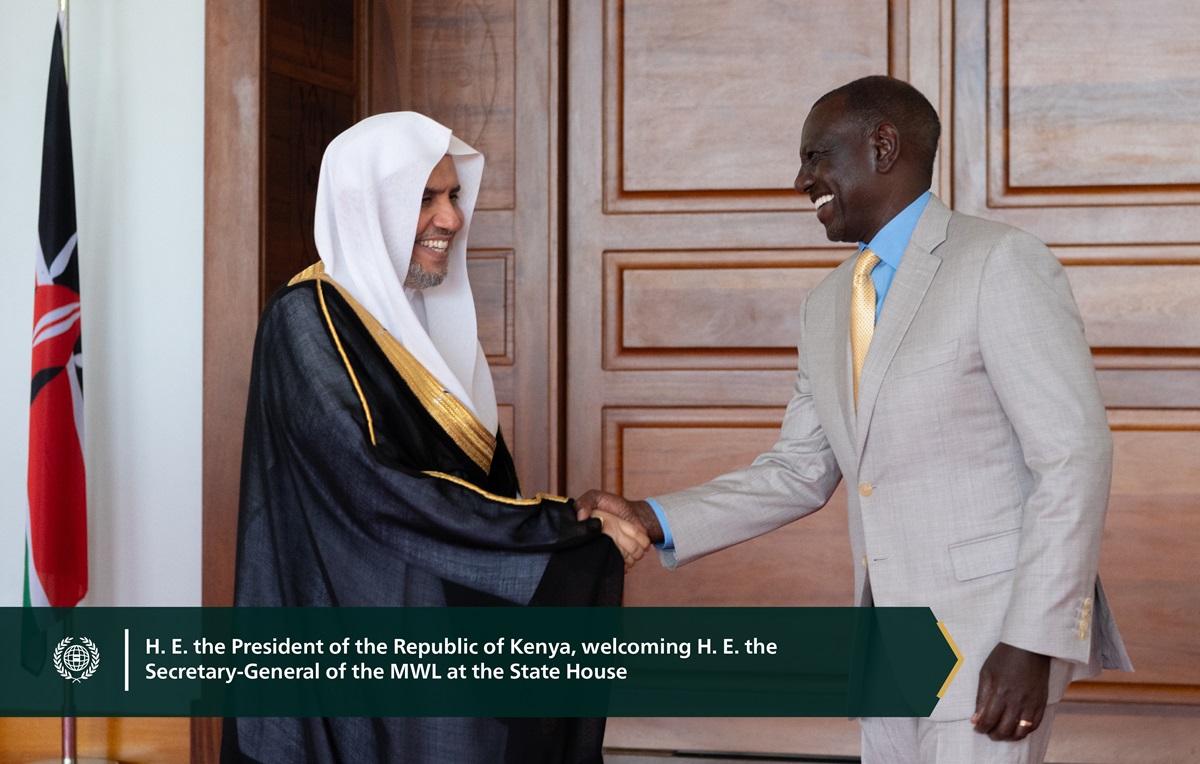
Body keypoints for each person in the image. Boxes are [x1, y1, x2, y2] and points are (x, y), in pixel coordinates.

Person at [577, 76, 1131, 763]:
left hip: (995, 643)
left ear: (884, 146)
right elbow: (799, 470)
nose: (801, 179)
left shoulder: (999, 262)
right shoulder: (826, 305)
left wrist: (1034, 640)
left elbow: (1074, 457)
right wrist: (650, 515)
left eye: (816, 156)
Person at [223, 112, 648, 764]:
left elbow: (480, 487)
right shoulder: (306, 319)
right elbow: (375, 485)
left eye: (453, 195)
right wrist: (549, 528)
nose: (451, 218)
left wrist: (568, 522)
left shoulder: (423, 324)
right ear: (366, 203)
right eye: (426, 197)